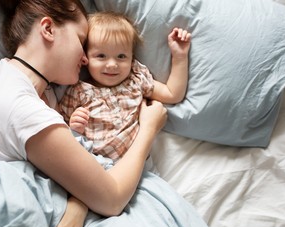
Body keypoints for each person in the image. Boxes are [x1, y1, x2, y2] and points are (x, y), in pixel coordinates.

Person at [0, 0, 167, 227]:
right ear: (48, 29)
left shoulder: (7, 76)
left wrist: (79, 202)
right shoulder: (23, 109)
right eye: (80, 40)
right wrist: (148, 128)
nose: (86, 59)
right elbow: (113, 198)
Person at [59, 11, 191, 163]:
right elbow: (61, 133)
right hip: (95, 164)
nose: (112, 64)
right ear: (85, 57)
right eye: (101, 56)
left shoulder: (135, 80)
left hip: (138, 163)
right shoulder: (78, 91)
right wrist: (75, 128)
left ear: (132, 58)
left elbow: (173, 94)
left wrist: (180, 57)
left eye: (121, 56)